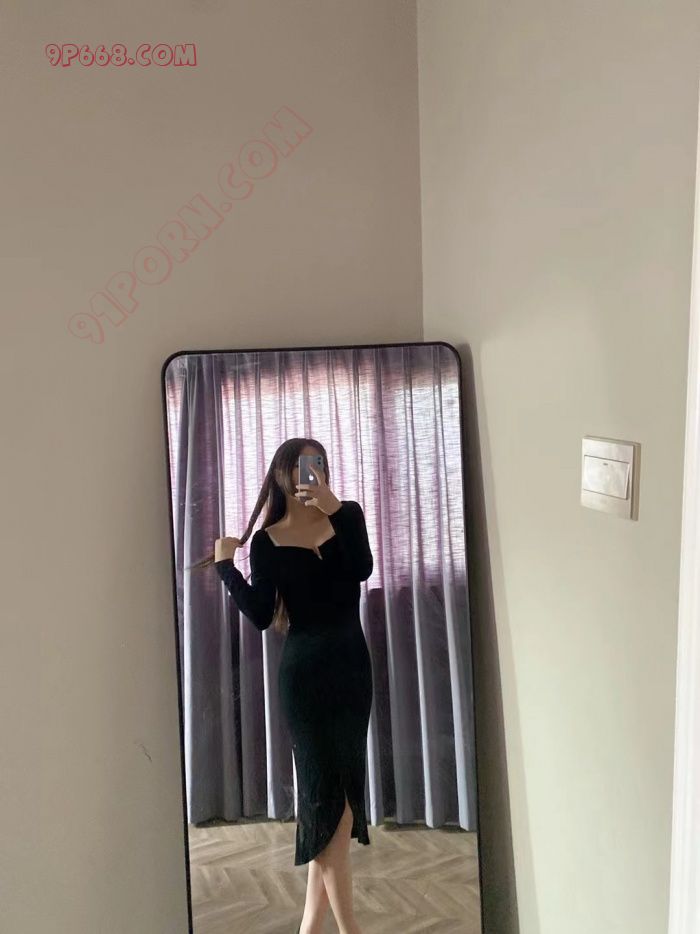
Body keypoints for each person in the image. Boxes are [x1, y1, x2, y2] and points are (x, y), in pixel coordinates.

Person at [213, 438, 373, 934]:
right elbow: (263, 615)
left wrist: (334, 508)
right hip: (305, 680)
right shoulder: (267, 542)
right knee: (328, 806)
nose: (313, 471)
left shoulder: (347, 515)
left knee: (338, 804)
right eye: (305, 464)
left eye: (319, 462)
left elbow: (363, 568)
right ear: (284, 473)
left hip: (352, 672)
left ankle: (308, 928)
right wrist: (226, 568)